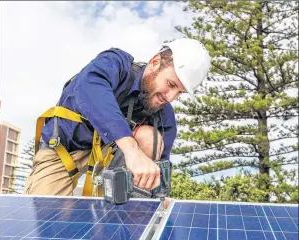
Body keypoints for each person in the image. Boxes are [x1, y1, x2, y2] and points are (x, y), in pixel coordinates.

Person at [24, 38, 211, 197]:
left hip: (110, 162)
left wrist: (161, 196)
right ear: (155, 62)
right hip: (64, 150)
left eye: (180, 92)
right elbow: (90, 88)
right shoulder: (116, 64)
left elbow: (162, 164)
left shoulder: (164, 114)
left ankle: (123, 212)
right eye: (171, 84)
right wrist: (131, 150)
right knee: (45, 218)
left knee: (149, 137)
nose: (171, 97)